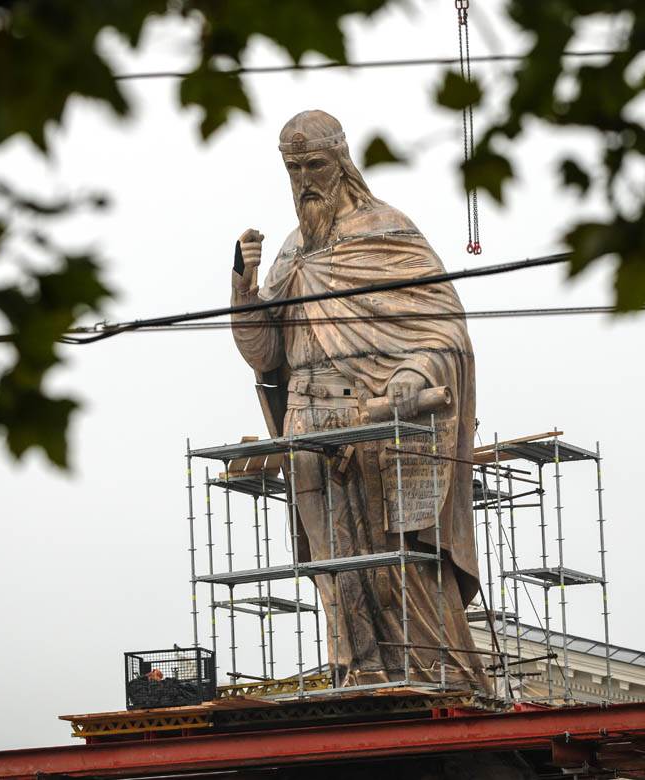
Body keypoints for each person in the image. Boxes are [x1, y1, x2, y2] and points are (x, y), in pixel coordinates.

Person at [230, 110, 485, 690]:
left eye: (314, 164)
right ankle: (356, 670)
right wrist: (244, 291)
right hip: (305, 426)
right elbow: (265, 351)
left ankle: (433, 672)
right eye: (293, 168)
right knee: (333, 570)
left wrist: (414, 371)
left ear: (341, 161)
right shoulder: (292, 251)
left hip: (373, 429)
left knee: (396, 566)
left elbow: (446, 330)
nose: (304, 180)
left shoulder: (386, 231)